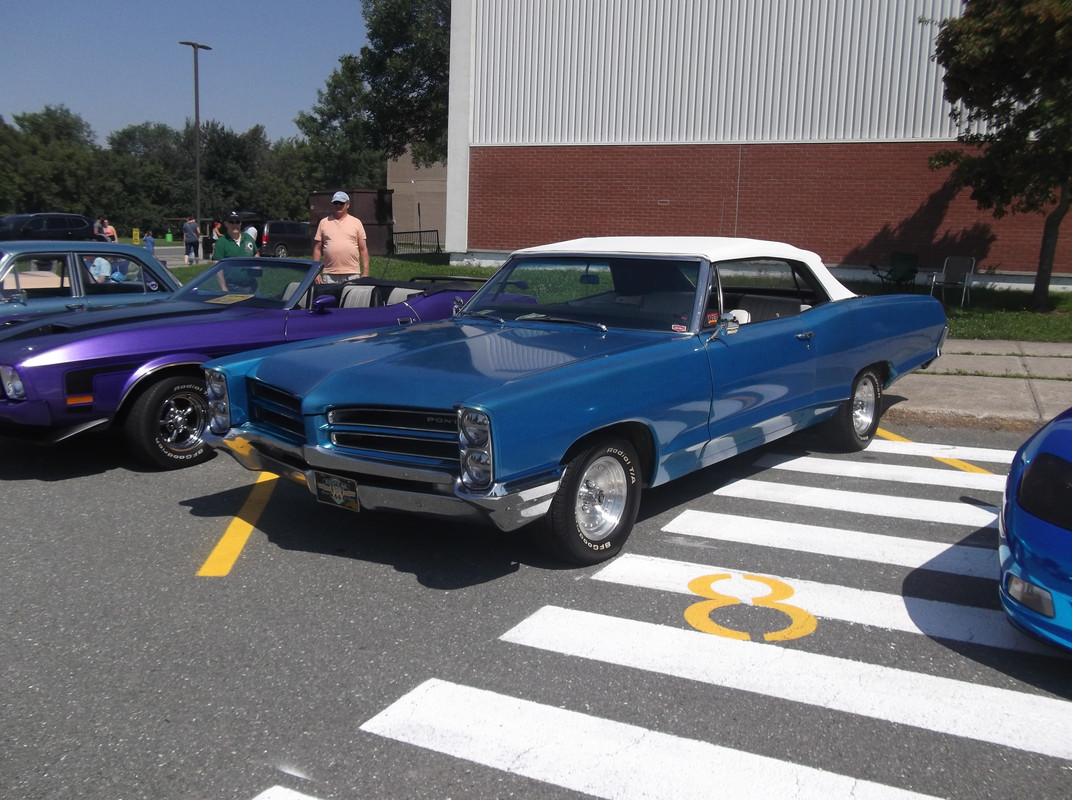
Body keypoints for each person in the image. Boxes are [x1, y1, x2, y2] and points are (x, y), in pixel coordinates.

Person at [312, 191, 369, 282]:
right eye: (335, 203)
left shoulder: (356, 223)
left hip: (352, 273)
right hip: (329, 274)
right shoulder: (323, 222)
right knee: (328, 297)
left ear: (347, 204)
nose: (338, 205)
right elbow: (317, 249)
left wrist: (366, 271)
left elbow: (363, 249)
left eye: (341, 203)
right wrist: (315, 272)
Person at [212, 210, 259, 291]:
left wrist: (256, 268)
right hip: (232, 287)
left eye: (237, 222)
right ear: (226, 223)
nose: (235, 225)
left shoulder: (248, 238)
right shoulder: (221, 242)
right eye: (231, 222)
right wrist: (223, 287)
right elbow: (217, 267)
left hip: (252, 285)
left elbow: (256, 253)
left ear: (240, 223)